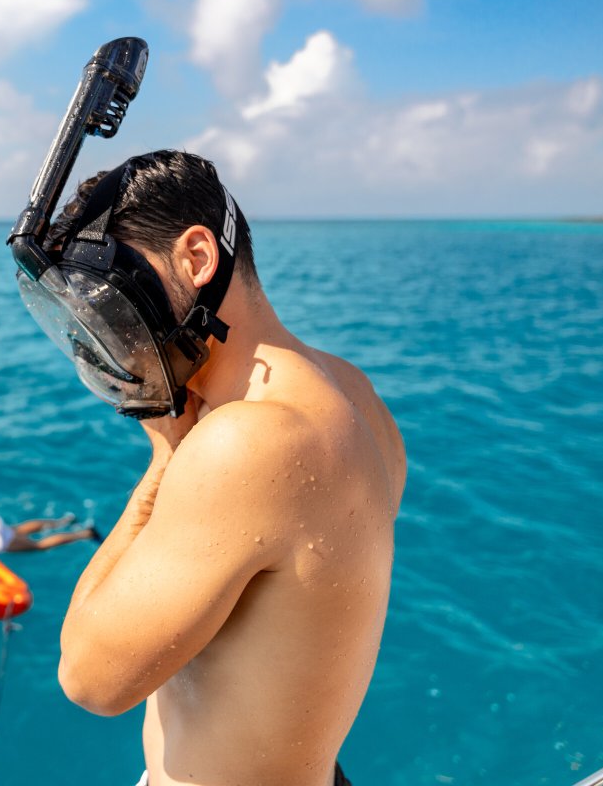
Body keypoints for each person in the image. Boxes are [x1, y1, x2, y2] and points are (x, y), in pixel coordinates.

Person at [32, 151, 405, 786]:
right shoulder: (350, 390)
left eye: (111, 298)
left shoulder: (246, 442)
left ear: (197, 258)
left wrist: (165, 460)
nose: (108, 332)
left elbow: (88, 679)